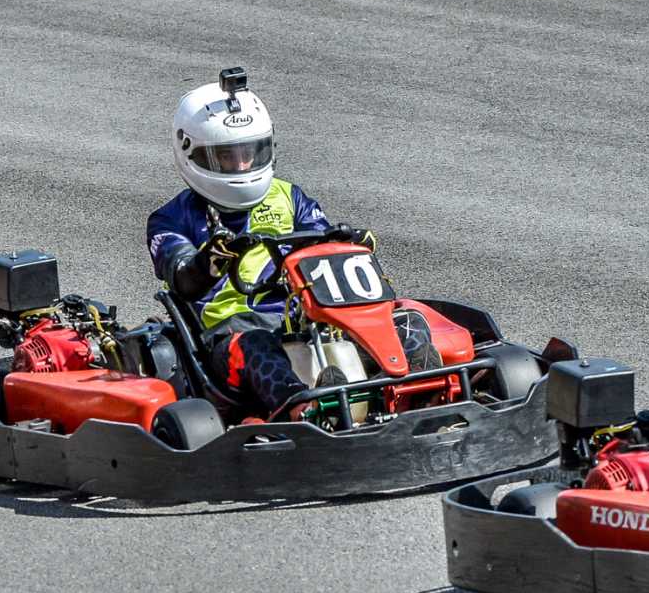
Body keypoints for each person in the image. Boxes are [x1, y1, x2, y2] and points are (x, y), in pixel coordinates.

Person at [146, 69, 438, 417]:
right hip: (232, 340)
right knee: (255, 346)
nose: (242, 164)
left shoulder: (289, 197)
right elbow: (182, 277)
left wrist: (346, 243)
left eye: (250, 153)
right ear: (192, 153)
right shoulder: (171, 219)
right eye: (227, 156)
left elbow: (322, 246)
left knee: (408, 322)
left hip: (305, 321)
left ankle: (420, 399)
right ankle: (306, 413)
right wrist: (209, 262)